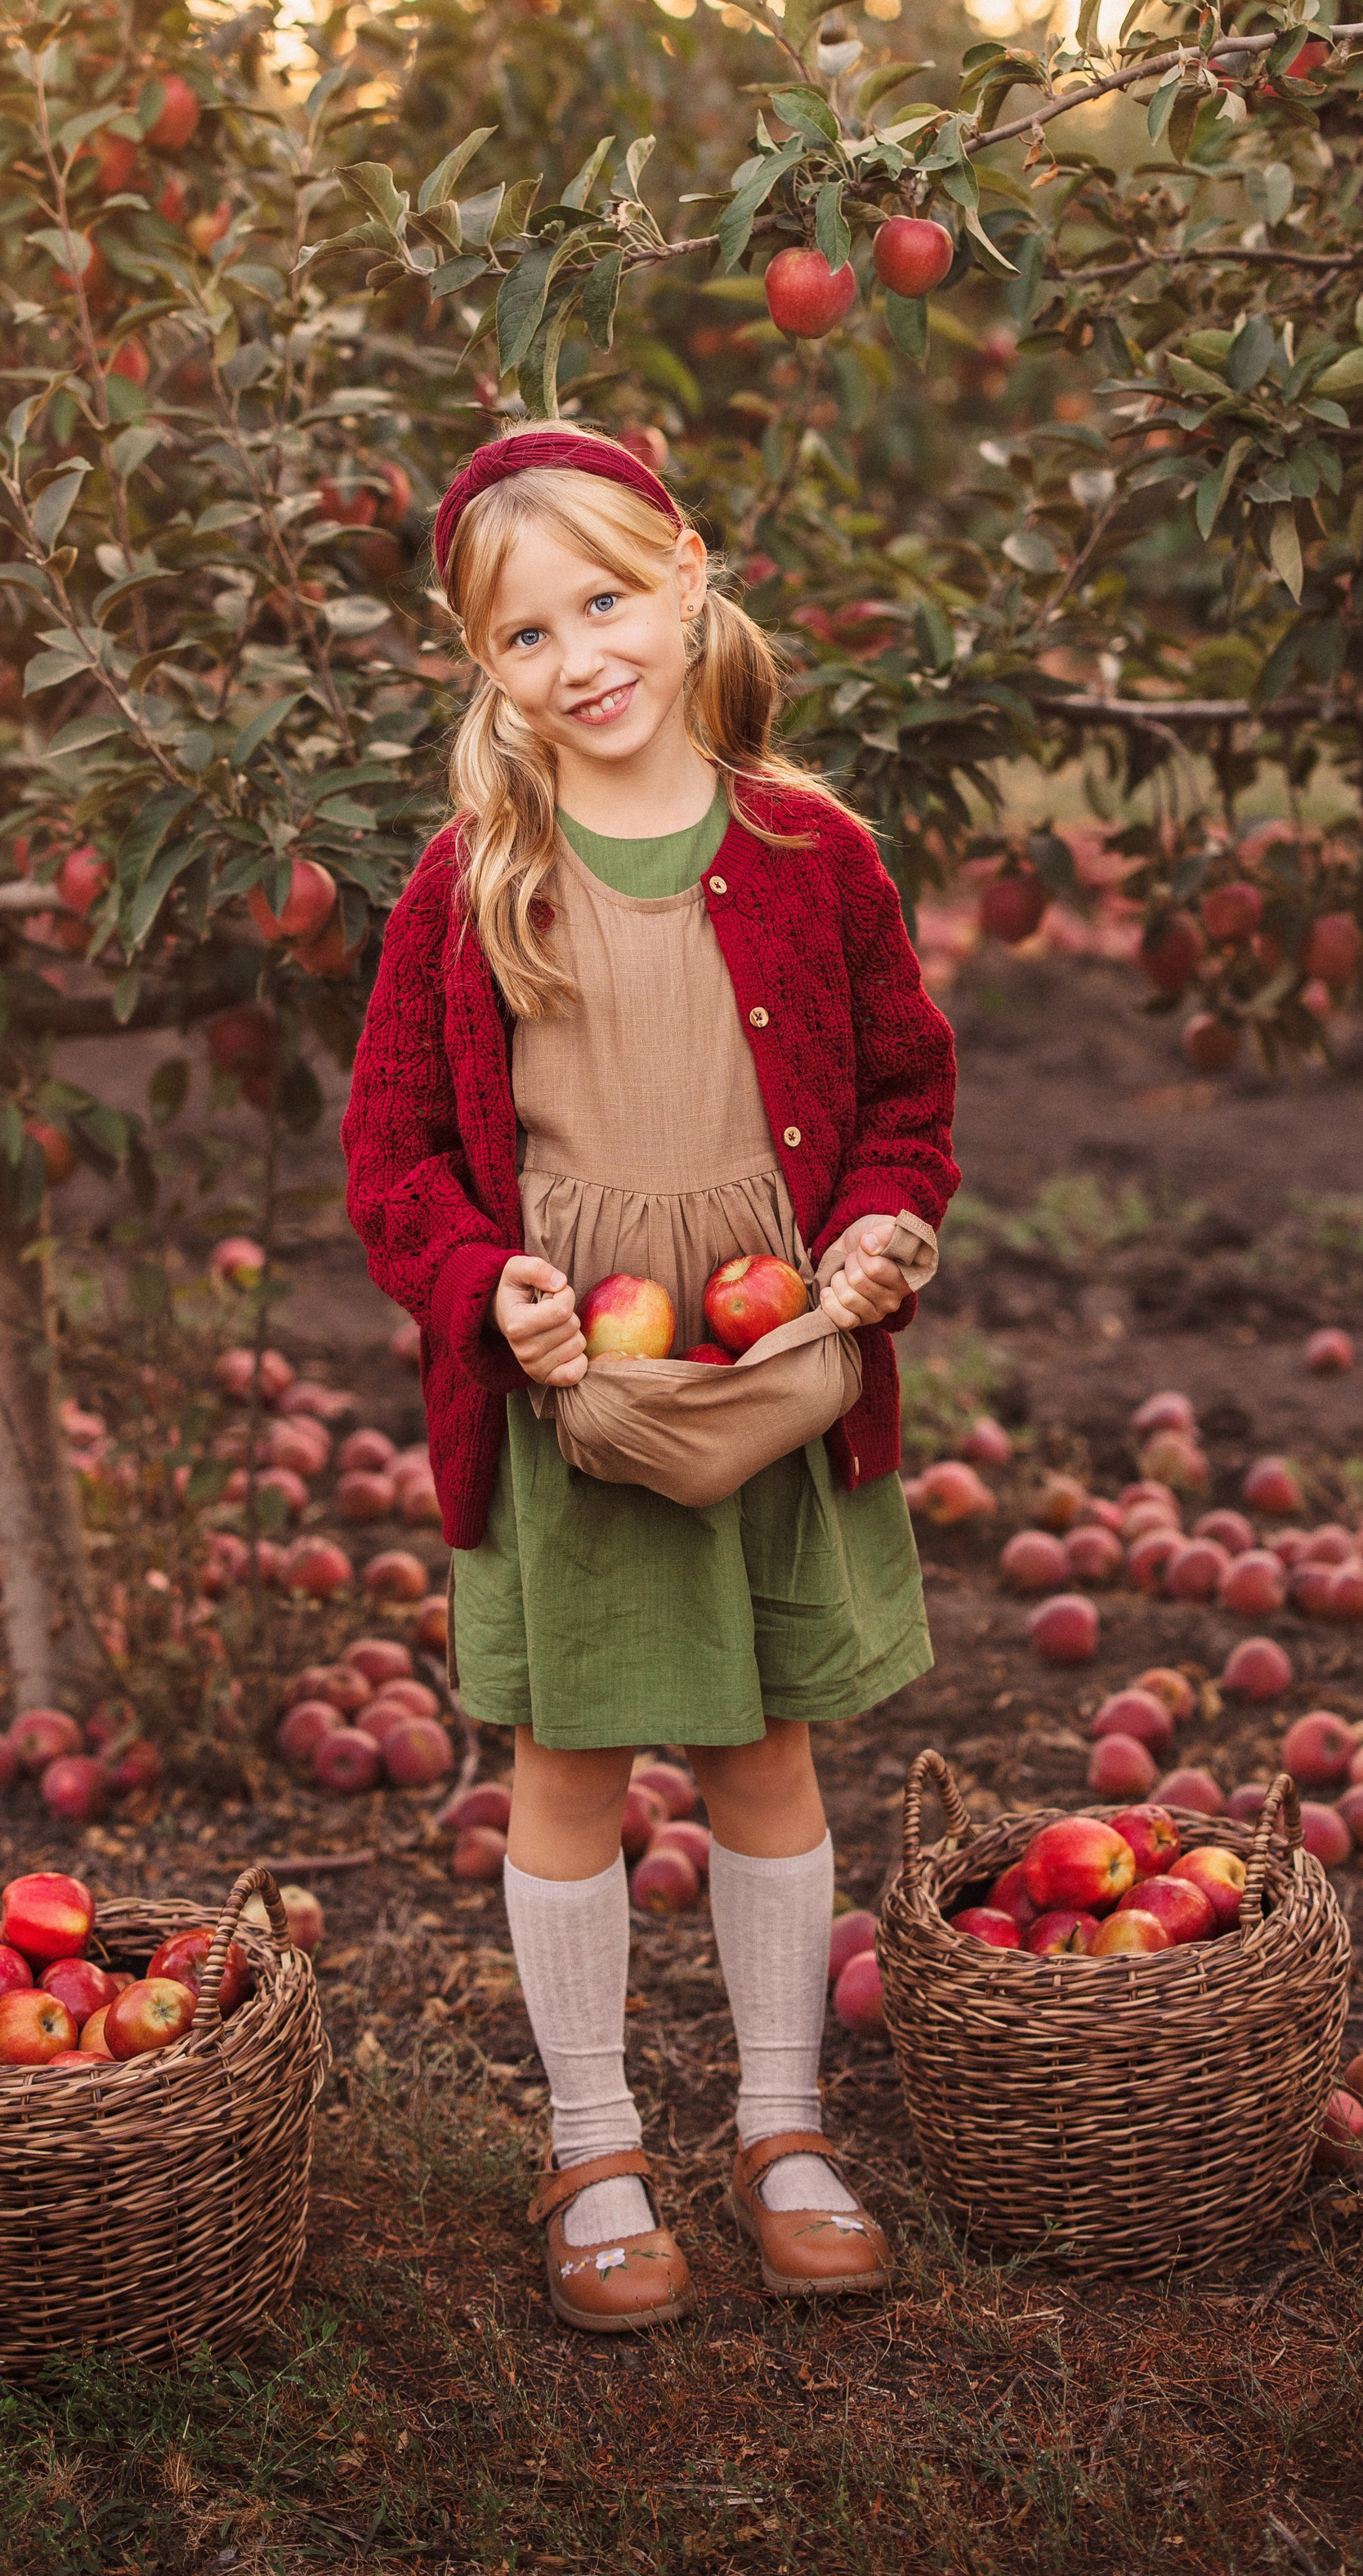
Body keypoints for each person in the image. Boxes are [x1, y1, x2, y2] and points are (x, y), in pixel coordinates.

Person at [342, 423, 958, 2333]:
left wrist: (873, 1238)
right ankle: (595, 2136)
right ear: (483, 667)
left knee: (768, 1745)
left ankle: (782, 2123)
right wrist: (483, 1287)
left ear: (689, 575)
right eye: (524, 632)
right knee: (572, 1763)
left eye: (605, 598)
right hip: (575, 1388)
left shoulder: (810, 847)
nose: (579, 654)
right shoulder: (470, 878)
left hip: (771, 1360)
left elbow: (903, 1101)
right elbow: (392, 1157)